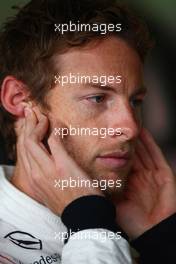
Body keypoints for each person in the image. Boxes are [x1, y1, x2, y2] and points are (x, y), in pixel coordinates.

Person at [0, 0, 176, 263]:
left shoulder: (140, 232)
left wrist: (162, 243)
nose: (129, 128)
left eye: (135, 102)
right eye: (97, 98)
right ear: (19, 99)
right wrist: (89, 222)